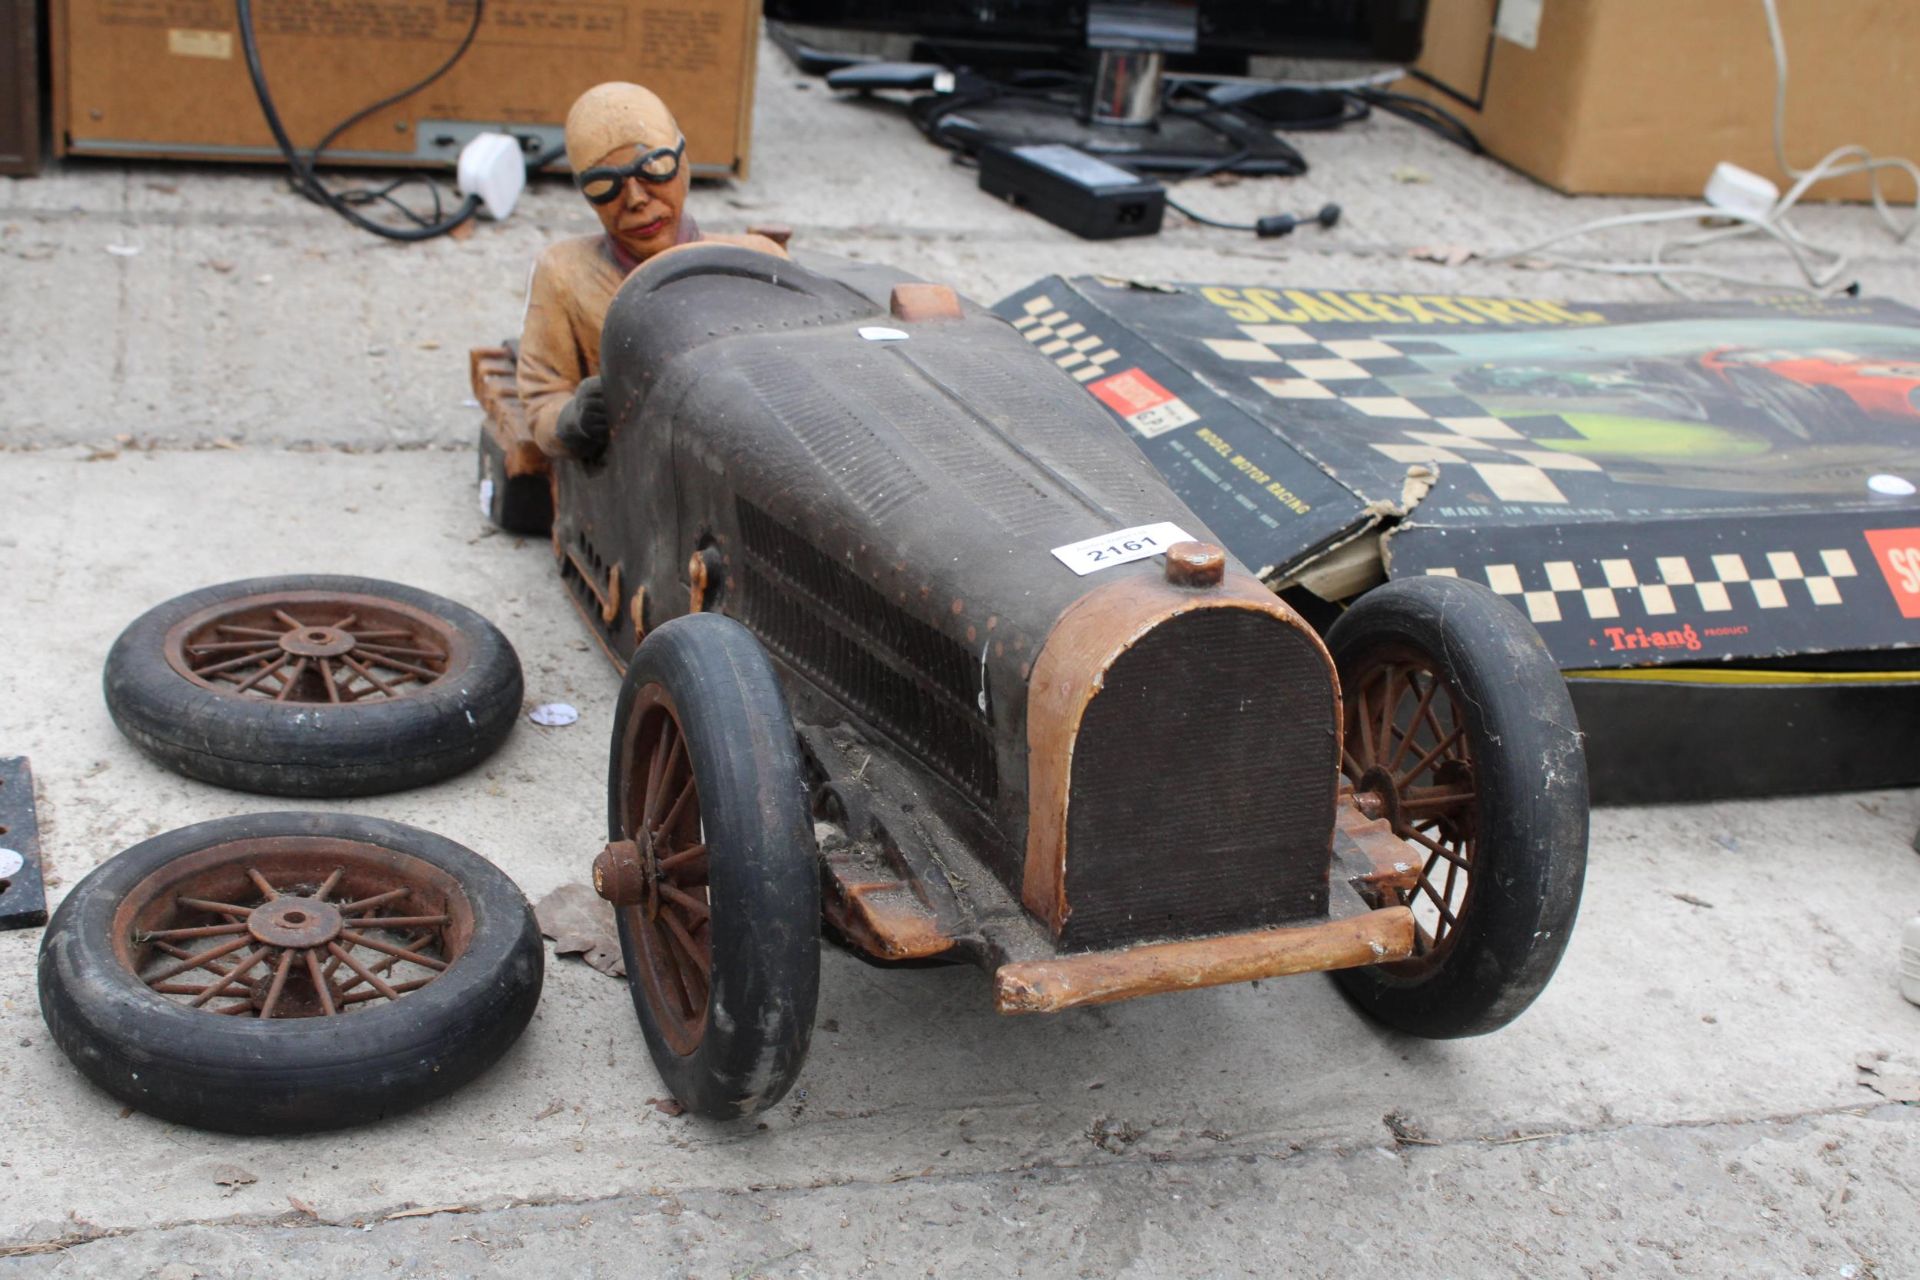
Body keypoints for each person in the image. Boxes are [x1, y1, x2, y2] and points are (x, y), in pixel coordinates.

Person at [518, 82, 786, 460]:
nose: (636, 200)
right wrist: (572, 418)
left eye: (654, 170)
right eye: (604, 186)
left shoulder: (756, 261)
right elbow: (540, 396)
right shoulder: (563, 274)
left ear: (684, 164)